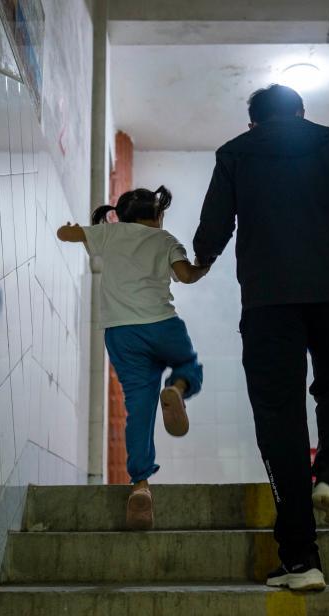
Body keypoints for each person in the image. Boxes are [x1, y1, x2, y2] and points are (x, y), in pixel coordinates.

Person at [193, 84, 329, 591]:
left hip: (269, 298)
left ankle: (301, 559)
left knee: (280, 417)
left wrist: (200, 258)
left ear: (253, 122)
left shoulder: (236, 153)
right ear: (301, 112)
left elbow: (215, 225)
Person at [58, 187, 209, 529]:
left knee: (139, 408)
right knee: (188, 366)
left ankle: (140, 485)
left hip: (122, 335)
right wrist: (204, 266)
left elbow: (64, 234)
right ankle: (177, 388)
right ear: (156, 216)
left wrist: (74, 230)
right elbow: (186, 275)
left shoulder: (110, 233)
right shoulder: (166, 240)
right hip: (163, 326)